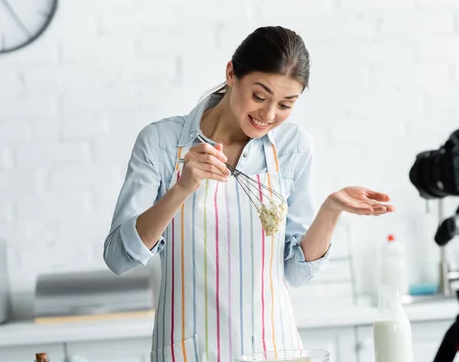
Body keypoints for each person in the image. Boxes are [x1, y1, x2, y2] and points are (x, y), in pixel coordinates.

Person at [103, 26, 395, 362]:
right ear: (231, 74)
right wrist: (181, 189)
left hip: (273, 349)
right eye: (259, 96)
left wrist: (330, 211)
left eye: (286, 103)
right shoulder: (162, 142)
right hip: (190, 352)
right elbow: (118, 258)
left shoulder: (293, 147)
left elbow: (296, 272)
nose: (269, 115)